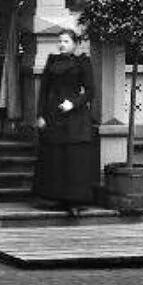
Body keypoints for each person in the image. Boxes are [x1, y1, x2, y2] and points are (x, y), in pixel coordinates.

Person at [33, 30, 95, 215]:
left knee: (73, 158)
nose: (62, 44)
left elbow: (91, 91)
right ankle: (57, 198)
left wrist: (73, 104)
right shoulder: (52, 61)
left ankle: (74, 201)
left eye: (66, 41)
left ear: (75, 44)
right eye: (60, 41)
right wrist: (41, 115)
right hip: (53, 114)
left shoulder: (82, 62)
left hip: (75, 117)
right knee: (55, 158)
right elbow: (44, 90)